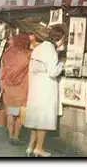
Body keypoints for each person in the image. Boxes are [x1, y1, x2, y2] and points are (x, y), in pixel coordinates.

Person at [24, 26, 65, 157]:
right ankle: (39, 148)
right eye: (62, 40)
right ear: (58, 39)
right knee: (43, 120)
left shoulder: (39, 48)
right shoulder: (51, 50)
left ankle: (30, 147)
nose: (62, 43)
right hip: (45, 89)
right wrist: (62, 64)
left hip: (35, 87)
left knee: (36, 120)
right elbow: (53, 72)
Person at [0, 33, 31, 145]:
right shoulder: (27, 54)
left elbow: (2, 71)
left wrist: (2, 85)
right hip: (21, 90)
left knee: (10, 113)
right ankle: (16, 136)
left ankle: (10, 135)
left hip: (8, 89)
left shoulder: (7, 53)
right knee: (19, 115)